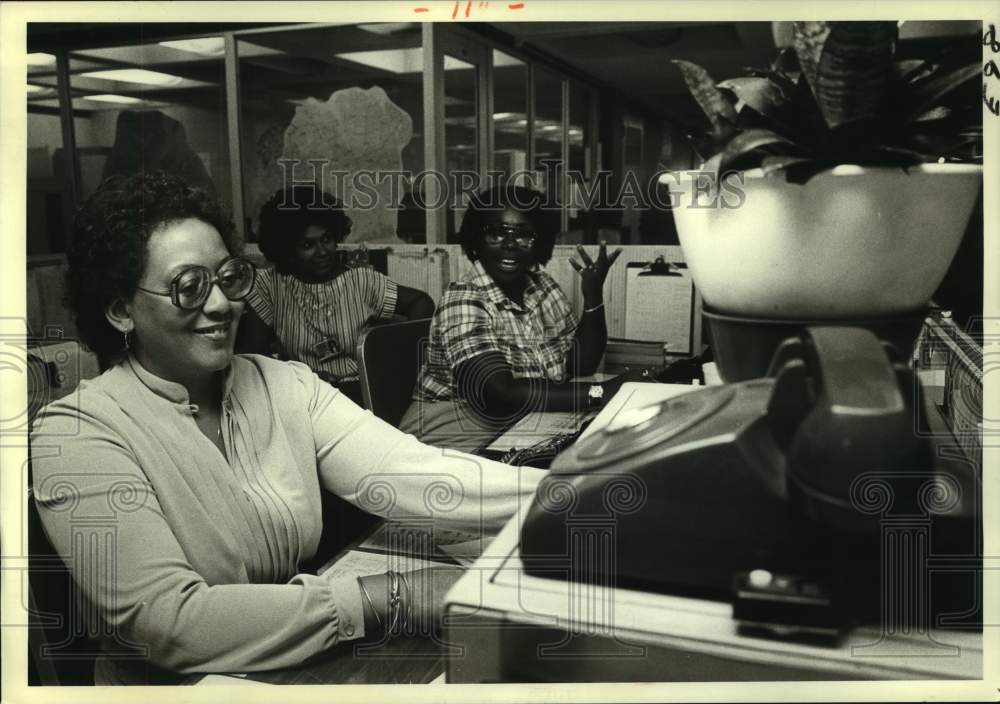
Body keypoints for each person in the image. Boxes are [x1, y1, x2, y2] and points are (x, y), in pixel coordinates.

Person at [29, 172, 543, 685]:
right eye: (189, 287)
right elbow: (166, 624)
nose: (220, 305)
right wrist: (393, 595)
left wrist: (575, 493)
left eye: (228, 278)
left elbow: (417, 474)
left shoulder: (285, 384)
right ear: (121, 310)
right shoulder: (75, 433)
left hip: (290, 664)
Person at [398, 185, 655, 452]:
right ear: (476, 239)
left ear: (540, 243)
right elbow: (499, 394)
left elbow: (581, 365)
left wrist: (592, 296)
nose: (509, 245)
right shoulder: (463, 299)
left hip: (516, 427)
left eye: (524, 236)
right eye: (496, 233)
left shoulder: (541, 286)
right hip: (446, 442)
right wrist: (600, 392)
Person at [236, 184, 434, 405]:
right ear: (288, 250)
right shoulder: (270, 286)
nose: (322, 251)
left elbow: (421, 302)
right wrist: (299, 378)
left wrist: (399, 362)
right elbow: (252, 361)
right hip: (303, 398)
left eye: (327, 239)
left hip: (361, 397)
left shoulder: (362, 281)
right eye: (308, 244)